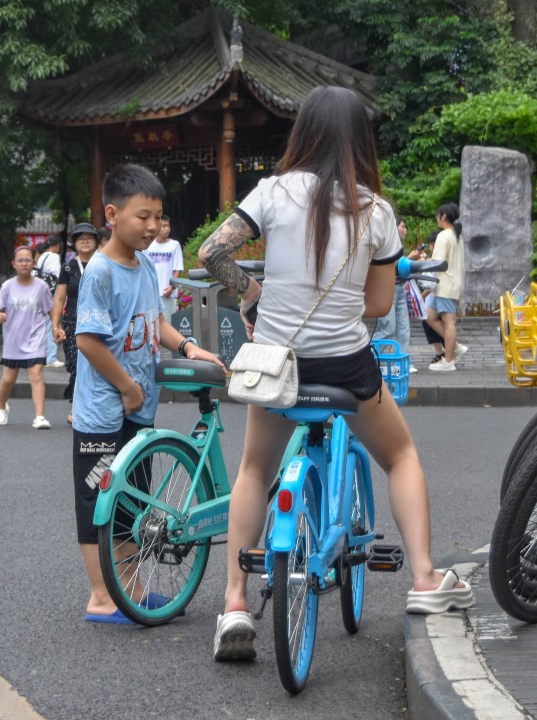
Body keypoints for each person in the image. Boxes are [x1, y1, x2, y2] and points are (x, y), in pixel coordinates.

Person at [198, 86, 474, 661]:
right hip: (346, 366)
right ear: (360, 141)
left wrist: (254, 294)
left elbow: (211, 253)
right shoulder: (377, 211)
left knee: (254, 468)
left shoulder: (271, 192)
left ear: (303, 133)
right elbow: (378, 306)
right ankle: (425, 578)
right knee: (400, 456)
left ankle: (235, 603)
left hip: (277, 363)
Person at [72, 164, 223, 624]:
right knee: (96, 502)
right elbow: (88, 340)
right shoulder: (100, 271)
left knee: (131, 504)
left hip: (137, 407)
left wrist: (188, 346)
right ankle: (102, 597)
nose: (153, 226)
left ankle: (129, 590)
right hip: (104, 411)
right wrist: (125, 386)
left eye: (158, 216)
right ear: (112, 214)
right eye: (144, 216)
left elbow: (156, 321)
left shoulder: (141, 267)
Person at [0, 245, 54, 430]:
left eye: (28, 260)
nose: (24, 263)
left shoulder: (41, 287)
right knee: (8, 379)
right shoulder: (7, 286)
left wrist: (57, 328)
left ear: (33, 263)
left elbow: (50, 309)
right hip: (13, 339)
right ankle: (1, 407)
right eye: (20, 260)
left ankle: (40, 416)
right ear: (14, 264)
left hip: (36, 338)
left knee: (36, 375)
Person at [51, 222, 100, 425]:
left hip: (98, 321)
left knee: (97, 365)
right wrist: (56, 325)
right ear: (75, 243)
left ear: (96, 242)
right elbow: (59, 298)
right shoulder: (68, 267)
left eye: (89, 238)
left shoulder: (103, 263)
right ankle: (77, 405)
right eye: (81, 238)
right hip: (73, 321)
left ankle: (89, 408)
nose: (85, 241)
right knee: (75, 364)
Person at [372, 221, 425, 373]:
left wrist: (410, 261)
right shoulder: (385, 242)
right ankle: (368, 358)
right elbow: (387, 267)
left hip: (400, 288)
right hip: (386, 289)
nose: (405, 230)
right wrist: (409, 258)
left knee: (404, 329)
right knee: (387, 328)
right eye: (402, 226)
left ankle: (403, 363)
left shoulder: (398, 247)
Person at [425, 203, 467, 372]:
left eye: (438, 215)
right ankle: (455, 346)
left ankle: (448, 361)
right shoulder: (457, 236)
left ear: (443, 216)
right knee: (430, 316)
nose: (437, 218)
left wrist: (422, 263)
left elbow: (438, 262)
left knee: (449, 322)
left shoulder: (443, 236)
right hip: (450, 284)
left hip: (445, 285)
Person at [145, 214, 185, 321]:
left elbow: (177, 269)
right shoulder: (148, 245)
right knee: (151, 323)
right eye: (164, 226)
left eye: (168, 226)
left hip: (167, 292)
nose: (167, 229)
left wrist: (172, 287)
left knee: (167, 322)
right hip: (151, 293)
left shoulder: (174, 245)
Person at [35, 236, 65, 368]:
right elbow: (57, 276)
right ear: (56, 245)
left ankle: (42, 356)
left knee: (43, 325)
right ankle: (51, 357)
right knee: (52, 323)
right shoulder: (53, 256)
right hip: (51, 294)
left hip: (40, 293)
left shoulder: (42, 256)